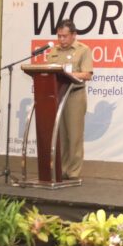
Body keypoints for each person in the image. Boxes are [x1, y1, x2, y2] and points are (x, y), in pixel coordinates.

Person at [45, 19, 93, 183]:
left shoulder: (83, 50)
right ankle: (62, 169)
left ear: (74, 35)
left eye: (65, 36)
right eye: (59, 36)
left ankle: (73, 172)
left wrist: (67, 74)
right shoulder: (53, 51)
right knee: (60, 135)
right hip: (57, 96)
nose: (61, 39)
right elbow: (48, 71)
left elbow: (87, 74)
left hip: (74, 95)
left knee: (74, 135)